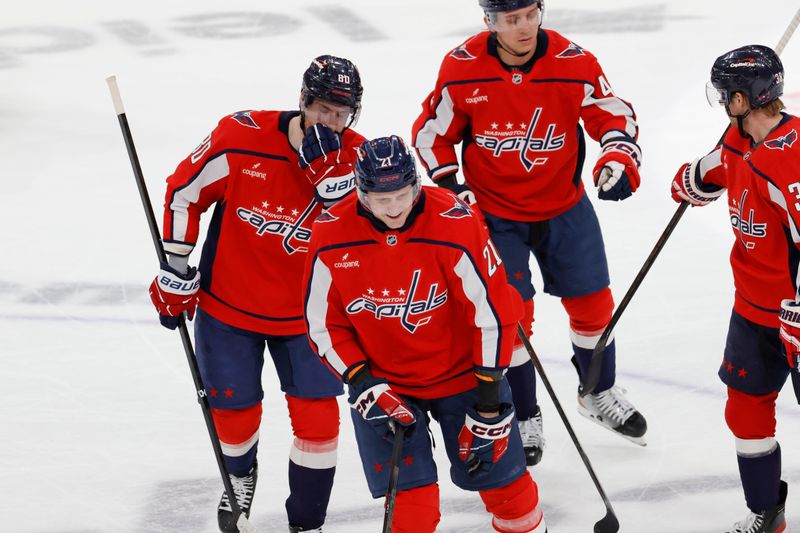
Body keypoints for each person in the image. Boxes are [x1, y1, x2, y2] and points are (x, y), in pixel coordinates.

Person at [411, 0, 647, 465]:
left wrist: (618, 156)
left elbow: (612, 114)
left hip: (563, 205)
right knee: (510, 319)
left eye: (530, 14)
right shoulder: (462, 69)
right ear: (489, 22)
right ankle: (523, 414)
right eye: (510, 19)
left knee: (595, 304)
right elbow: (430, 134)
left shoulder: (573, 62)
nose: (523, 27)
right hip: (494, 216)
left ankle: (597, 393)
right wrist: (451, 185)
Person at [147, 55, 366, 533]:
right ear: (303, 101)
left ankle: (307, 521)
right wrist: (176, 268)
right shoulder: (241, 137)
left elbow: (379, 240)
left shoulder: (361, 158)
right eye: (324, 109)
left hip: (311, 318)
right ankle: (240, 479)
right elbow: (185, 192)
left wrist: (340, 197)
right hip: (230, 308)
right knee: (232, 410)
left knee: (319, 424)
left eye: (342, 113)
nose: (331, 122)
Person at [303, 136, 547, 533]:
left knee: (510, 495)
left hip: (465, 378)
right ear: (361, 193)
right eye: (382, 200)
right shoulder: (331, 233)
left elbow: (492, 313)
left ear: (416, 184)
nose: (395, 208)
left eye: (402, 195)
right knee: (410, 514)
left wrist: (488, 403)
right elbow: (322, 324)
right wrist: (362, 383)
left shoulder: (454, 220)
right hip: (387, 388)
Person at [671, 44, 796, 533]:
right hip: (752, 310)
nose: (722, 101)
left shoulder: (792, 157)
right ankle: (767, 510)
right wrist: (697, 178)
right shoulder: (739, 140)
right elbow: (718, 168)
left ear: (746, 97)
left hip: (795, 315)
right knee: (744, 410)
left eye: (726, 93)